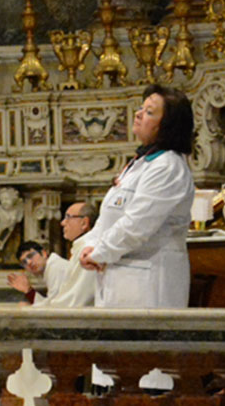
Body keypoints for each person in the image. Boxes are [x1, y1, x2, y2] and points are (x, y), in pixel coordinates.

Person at [80, 87, 197, 307]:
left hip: (150, 283)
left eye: (149, 112)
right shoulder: (139, 164)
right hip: (118, 278)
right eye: (141, 108)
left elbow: (137, 225)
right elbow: (109, 216)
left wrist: (99, 252)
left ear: (167, 126)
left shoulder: (168, 167)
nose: (138, 114)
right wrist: (90, 245)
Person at [5, 201, 98, 309]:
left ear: (84, 223)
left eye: (68, 217)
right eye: (24, 262)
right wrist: (29, 293)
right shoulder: (79, 249)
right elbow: (60, 301)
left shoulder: (86, 251)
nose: (63, 223)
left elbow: (70, 302)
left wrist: (30, 308)